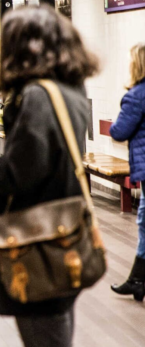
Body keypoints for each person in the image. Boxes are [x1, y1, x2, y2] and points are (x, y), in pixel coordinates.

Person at [0, 6, 98, 347]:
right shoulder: (70, 89)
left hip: (38, 241)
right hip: (64, 230)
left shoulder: (38, 96)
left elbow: (21, 172)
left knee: (45, 336)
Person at [109, 42, 145, 301]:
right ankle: (137, 279)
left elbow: (119, 131)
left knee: (144, 221)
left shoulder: (136, 95)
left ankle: (137, 279)